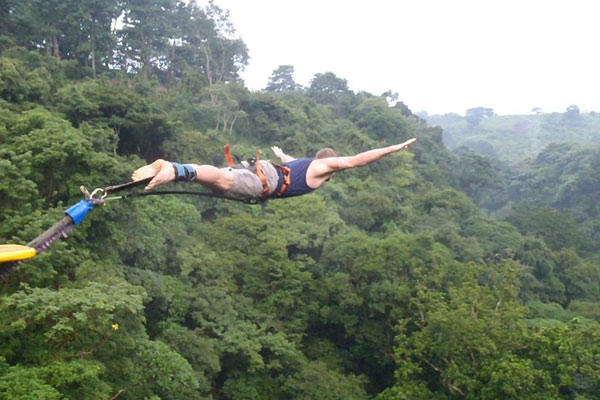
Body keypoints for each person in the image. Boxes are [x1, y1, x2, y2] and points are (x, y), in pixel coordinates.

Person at [131, 138, 416, 201]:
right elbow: (356, 160)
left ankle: (178, 170)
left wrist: (281, 155)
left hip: (266, 171)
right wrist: (391, 149)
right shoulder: (323, 168)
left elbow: (291, 161)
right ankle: (173, 170)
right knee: (221, 181)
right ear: (329, 164)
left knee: (218, 179)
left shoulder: (304, 165)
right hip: (265, 181)